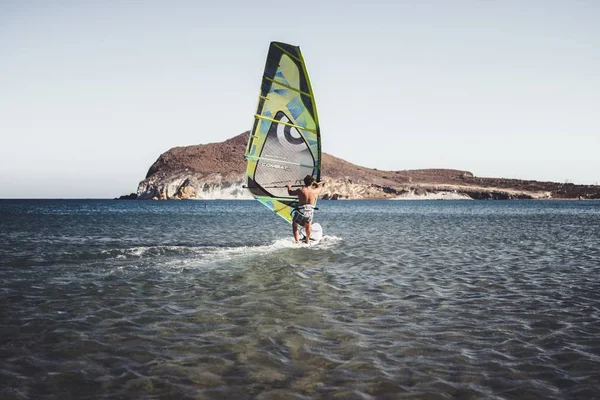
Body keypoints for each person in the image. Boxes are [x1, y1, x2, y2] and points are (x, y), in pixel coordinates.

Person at [287, 175, 324, 244]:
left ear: (304, 182)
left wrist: (289, 187)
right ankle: (307, 240)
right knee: (308, 225)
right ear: (311, 183)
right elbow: (320, 187)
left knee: (295, 225)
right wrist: (316, 183)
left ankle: (297, 241)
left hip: (300, 211)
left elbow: (290, 193)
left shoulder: (300, 190)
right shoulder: (314, 191)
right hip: (309, 211)